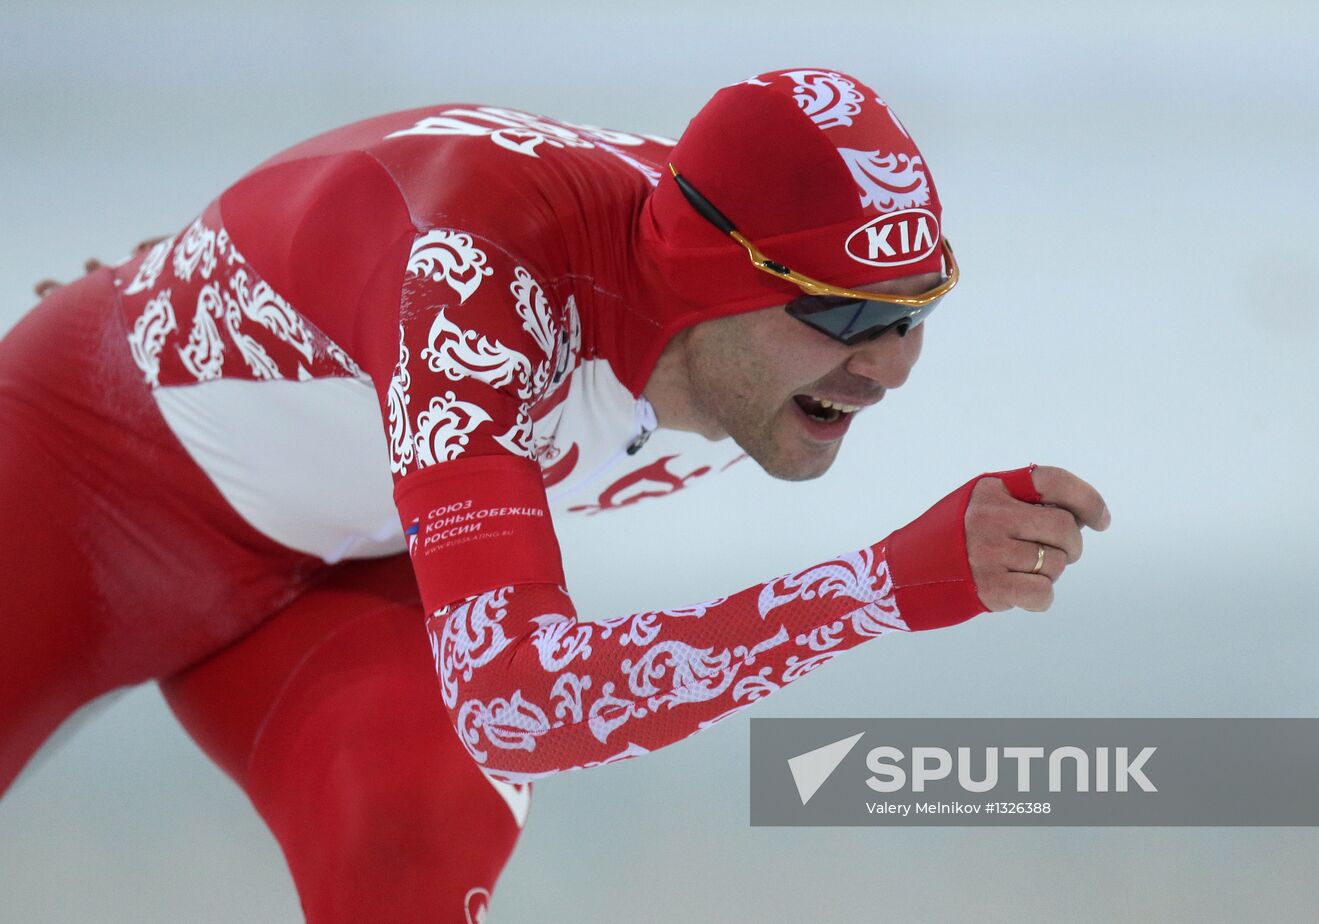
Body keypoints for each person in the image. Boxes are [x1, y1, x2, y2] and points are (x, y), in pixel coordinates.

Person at [2, 67, 1110, 921]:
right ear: (709, 281)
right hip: (92, 482)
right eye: (842, 318)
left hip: (354, 562)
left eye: (912, 311)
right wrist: (889, 585)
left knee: (418, 832)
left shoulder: (757, 342)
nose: (887, 369)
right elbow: (518, 698)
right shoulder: (482, 282)